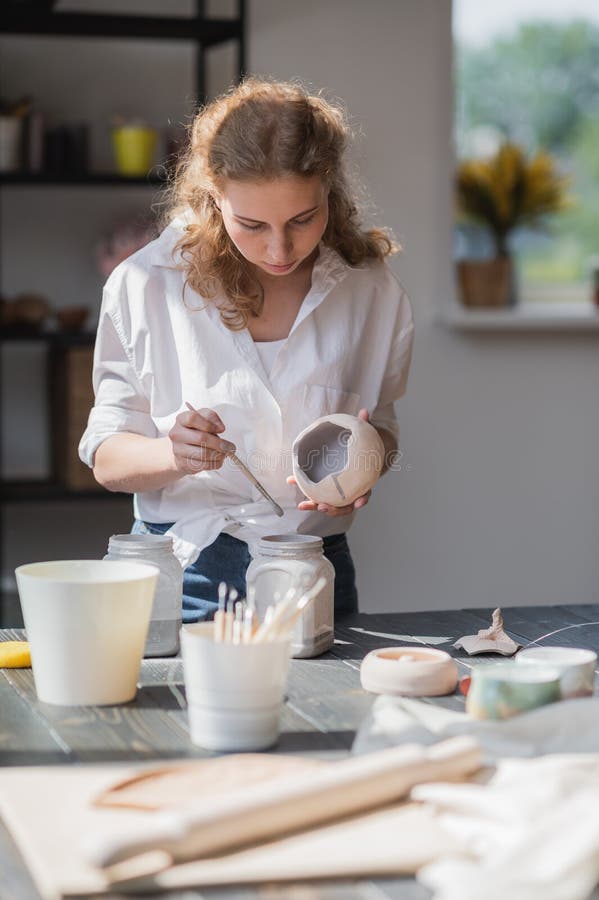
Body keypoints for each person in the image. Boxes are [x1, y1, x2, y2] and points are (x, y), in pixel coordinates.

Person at [79, 77, 414, 623]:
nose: (279, 249)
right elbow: (107, 458)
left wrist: (368, 459)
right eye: (252, 224)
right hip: (184, 572)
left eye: (302, 219)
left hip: (313, 568)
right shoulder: (146, 284)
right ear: (213, 195)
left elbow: (385, 428)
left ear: (328, 189)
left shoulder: (370, 290)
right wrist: (174, 454)